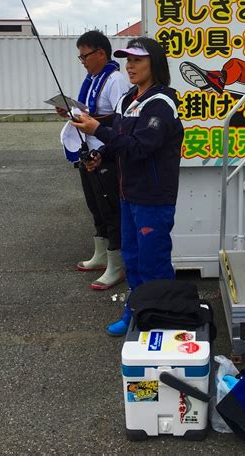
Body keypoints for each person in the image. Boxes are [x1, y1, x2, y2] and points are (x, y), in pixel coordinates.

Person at [71, 37, 184, 336]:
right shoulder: (127, 99)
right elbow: (119, 141)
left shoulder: (161, 103)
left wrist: (98, 130)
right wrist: (100, 155)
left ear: (154, 63)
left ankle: (162, 322)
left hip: (153, 199)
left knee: (154, 264)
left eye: (137, 60)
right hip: (127, 195)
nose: (130, 66)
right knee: (132, 261)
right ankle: (135, 312)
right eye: (127, 60)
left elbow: (139, 148)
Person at [57, 30, 129, 290]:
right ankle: (101, 254)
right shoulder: (93, 78)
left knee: (111, 210)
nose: (83, 61)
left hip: (106, 154)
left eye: (85, 55)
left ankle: (117, 264)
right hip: (87, 151)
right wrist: (71, 112)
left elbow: (121, 119)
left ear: (101, 53)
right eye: (80, 57)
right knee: (96, 206)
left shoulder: (116, 80)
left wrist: (88, 122)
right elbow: (90, 113)